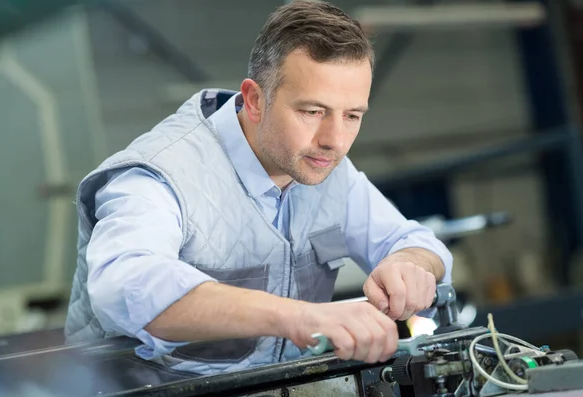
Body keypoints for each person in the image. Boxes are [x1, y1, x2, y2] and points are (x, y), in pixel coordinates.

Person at [65, 0, 453, 376]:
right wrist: (300, 317)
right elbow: (125, 285)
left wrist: (411, 265)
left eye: (352, 115)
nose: (335, 139)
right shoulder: (159, 176)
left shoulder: (327, 172)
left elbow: (413, 240)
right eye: (312, 112)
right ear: (254, 100)